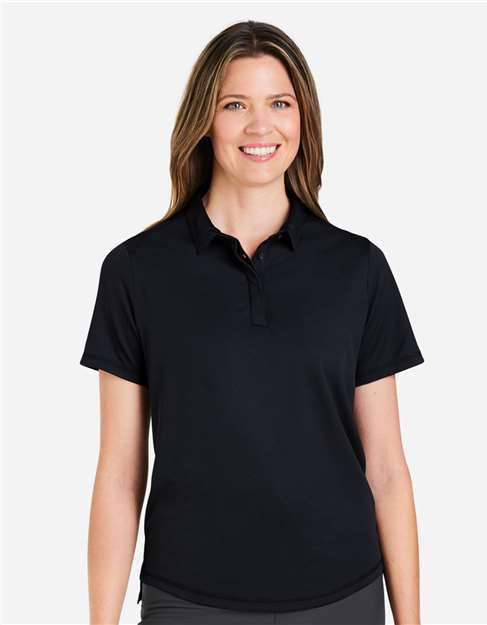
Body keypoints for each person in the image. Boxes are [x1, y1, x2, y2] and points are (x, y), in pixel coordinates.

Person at [79, 20, 424, 625]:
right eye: (235, 104)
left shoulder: (357, 268)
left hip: (342, 595)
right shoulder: (137, 271)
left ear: (303, 119)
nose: (261, 126)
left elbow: (388, 470)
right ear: (204, 121)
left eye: (280, 104)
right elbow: (118, 476)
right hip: (188, 600)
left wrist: (411, 620)